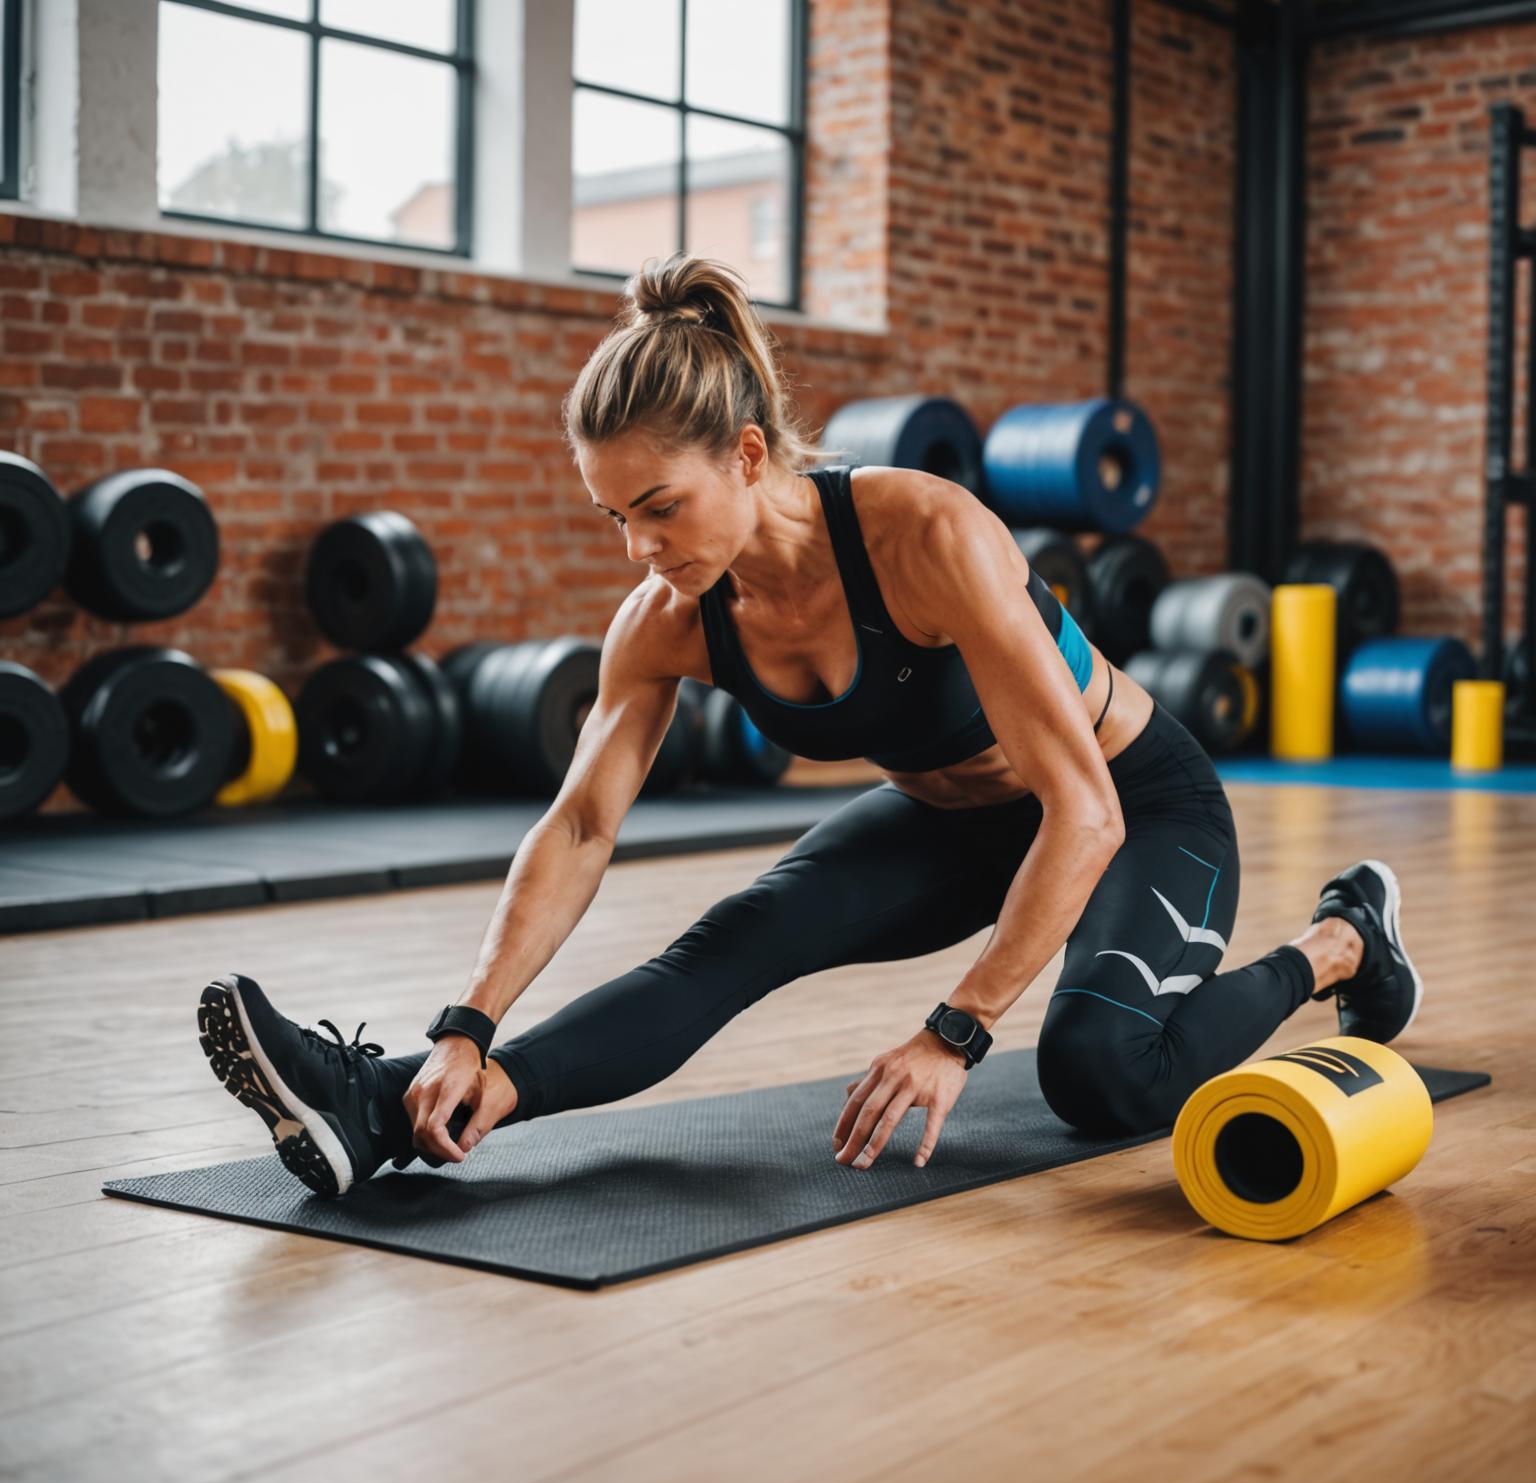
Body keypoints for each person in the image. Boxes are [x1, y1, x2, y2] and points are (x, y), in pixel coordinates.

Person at [197, 254, 1423, 1199]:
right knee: (734, 939)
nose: (638, 547)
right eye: (612, 516)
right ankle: (393, 1105)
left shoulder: (926, 535)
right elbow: (579, 826)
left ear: (744, 454)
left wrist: (956, 1028)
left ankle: (1338, 942)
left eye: (659, 507)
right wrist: (469, 1023)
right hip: (951, 819)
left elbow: (1084, 811)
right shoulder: (664, 618)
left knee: (1097, 1072)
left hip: (1131, 802)